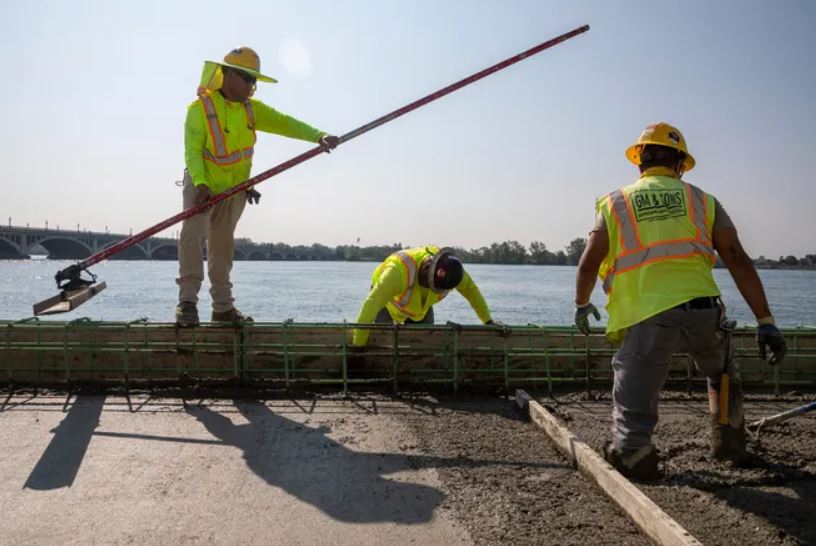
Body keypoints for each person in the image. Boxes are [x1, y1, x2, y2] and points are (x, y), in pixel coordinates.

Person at [573, 122, 787, 480]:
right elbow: (736, 258)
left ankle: (634, 452)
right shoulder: (703, 201)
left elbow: (588, 263)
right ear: (680, 163)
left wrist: (582, 304)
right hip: (705, 314)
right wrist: (766, 321)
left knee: (634, 400)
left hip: (648, 319)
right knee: (722, 372)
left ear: (640, 159)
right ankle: (731, 447)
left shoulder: (616, 203)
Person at [175, 47, 339, 327]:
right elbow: (192, 152)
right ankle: (187, 303)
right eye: (247, 79)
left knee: (222, 248)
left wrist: (318, 136)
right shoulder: (200, 109)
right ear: (226, 74)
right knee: (192, 236)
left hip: (235, 189)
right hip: (202, 187)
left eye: (254, 81)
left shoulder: (253, 109)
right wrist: (201, 185)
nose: (252, 87)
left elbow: (285, 123)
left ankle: (223, 309)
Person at [351, 246, 496, 346]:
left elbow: (472, 291)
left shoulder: (453, 271)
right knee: (380, 343)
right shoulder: (397, 273)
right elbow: (370, 305)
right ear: (427, 268)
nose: (432, 289)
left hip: (419, 309)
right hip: (387, 304)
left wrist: (488, 321)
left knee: (425, 345)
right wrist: (357, 348)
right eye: (429, 284)